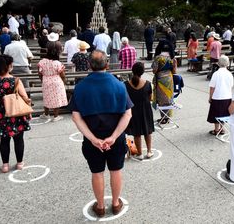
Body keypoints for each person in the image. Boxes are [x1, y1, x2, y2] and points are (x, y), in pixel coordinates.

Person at [70, 50, 133, 218]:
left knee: (97, 172)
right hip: (116, 138)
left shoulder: (81, 87)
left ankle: (100, 206)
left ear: (89, 65)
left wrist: (93, 139)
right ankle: (115, 203)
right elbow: (128, 114)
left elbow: (76, 117)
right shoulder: (119, 85)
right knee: (116, 170)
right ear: (107, 64)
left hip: (92, 139)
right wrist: (113, 137)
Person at [0, 54, 31, 173]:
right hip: (16, 113)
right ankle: (20, 163)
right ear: (9, 66)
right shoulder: (15, 80)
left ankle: (5, 166)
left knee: (4, 140)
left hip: (0, 114)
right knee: (18, 139)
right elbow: (25, 97)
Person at [125, 62, 155, 160]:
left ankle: (140, 153)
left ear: (132, 71)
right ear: (142, 72)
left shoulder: (126, 84)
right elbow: (150, 98)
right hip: (145, 110)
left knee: (136, 133)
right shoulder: (147, 84)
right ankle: (149, 151)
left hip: (133, 110)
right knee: (147, 131)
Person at [38, 40, 68, 121]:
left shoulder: (42, 62)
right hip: (56, 81)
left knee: (46, 96)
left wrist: (42, 80)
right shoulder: (57, 63)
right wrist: (64, 81)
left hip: (46, 80)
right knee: (56, 98)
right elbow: (62, 75)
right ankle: (56, 116)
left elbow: (40, 73)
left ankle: (46, 114)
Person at [207, 55, 234, 135]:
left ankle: (216, 129)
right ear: (228, 64)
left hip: (217, 97)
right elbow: (231, 86)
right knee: (224, 113)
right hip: (227, 97)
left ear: (218, 63)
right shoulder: (229, 74)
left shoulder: (216, 74)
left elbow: (212, 87)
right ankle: (222, 129)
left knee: (216, 114)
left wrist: (210, 97)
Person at [152, 40, 177, 123]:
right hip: (169, 79)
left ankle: (163, 118)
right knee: (168, 98)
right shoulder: (172, 58)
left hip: (160, 79)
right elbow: (174, 71)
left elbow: (154, 70)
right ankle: (167, 117)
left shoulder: (158, 58)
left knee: (161, 99)